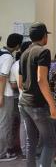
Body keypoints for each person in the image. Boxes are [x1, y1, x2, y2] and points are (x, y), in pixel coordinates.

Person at [19, 22, 56, 167]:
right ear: (44, 36)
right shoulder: (43, 52)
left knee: (31, 141)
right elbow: (42, 79)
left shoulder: (24, 53)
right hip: (37, 105)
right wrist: (52, 105)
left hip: (24, 103)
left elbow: (20, 82)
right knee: (50, 141)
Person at [0, 33, 23, 161]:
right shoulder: (8, 57)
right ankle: (3, 153)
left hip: (2, 93)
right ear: (18, 45)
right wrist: (1, 96)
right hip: (5, 94)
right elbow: (2, 77)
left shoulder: (1, 53)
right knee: (5, 124)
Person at [9, 41, 32, 159]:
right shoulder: (35, 62)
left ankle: (25, 152)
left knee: (24, 125)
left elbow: (13, 85)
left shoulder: (15, 65)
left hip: (22, 98)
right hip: (35, 100)